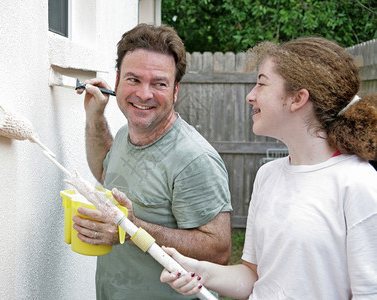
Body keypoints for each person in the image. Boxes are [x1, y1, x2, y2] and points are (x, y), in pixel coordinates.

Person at [160, 37, 377, 299]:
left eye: (262, 83)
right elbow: (253, 276)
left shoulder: (357, 182)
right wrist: (200, 270)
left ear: (297, 99)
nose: (251, 95)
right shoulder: (268, 175)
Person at [74, 23, 233, 299]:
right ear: (117, 80)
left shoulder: (194, 159)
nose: (144, 94)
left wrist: (130, 227)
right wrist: (95, 116)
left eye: (159, 83)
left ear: (175, 91)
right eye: (133, 80)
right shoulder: (126, 134)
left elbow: (219, 251)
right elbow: (105, 171)